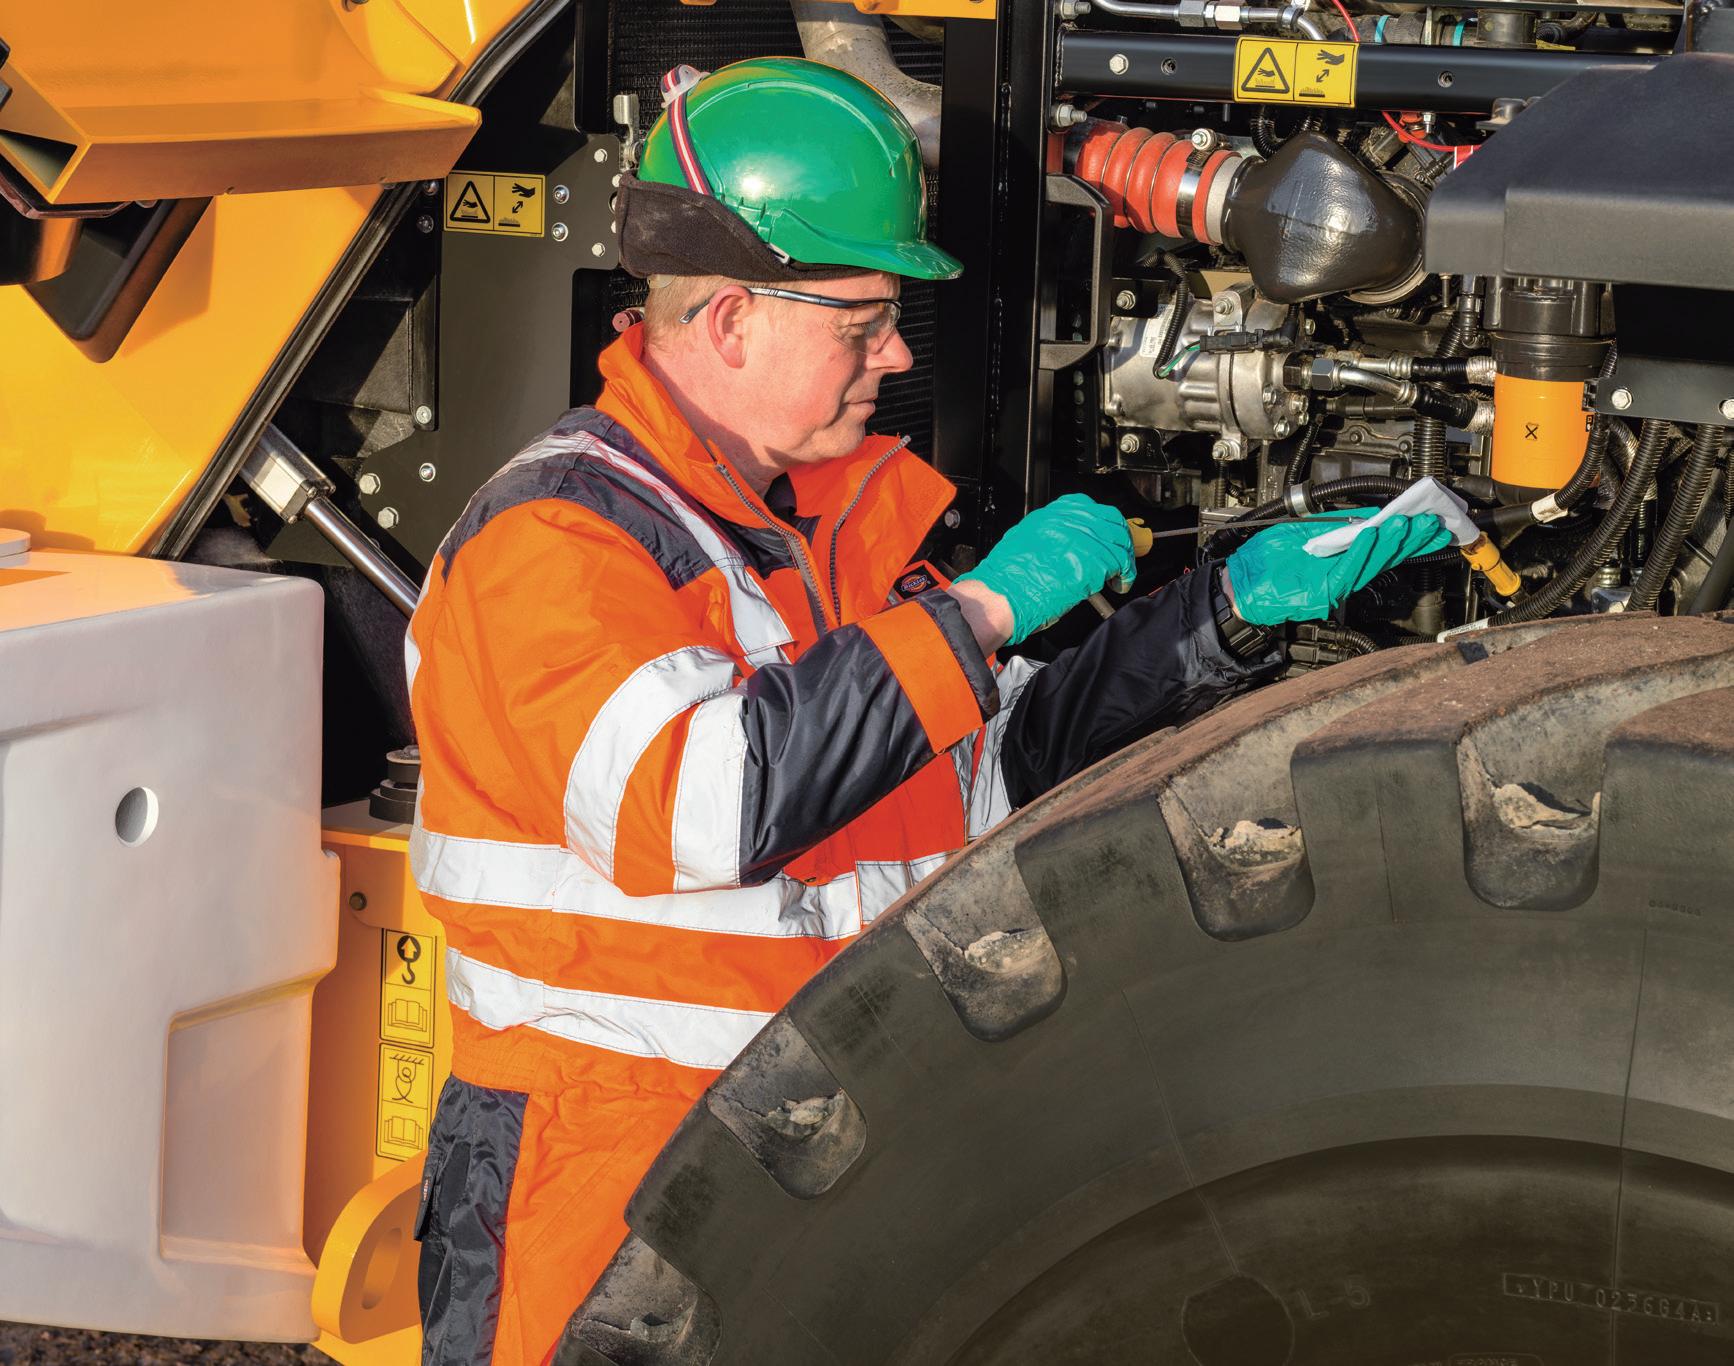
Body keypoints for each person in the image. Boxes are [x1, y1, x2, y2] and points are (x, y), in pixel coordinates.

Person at [404, 56, 1447, 1366]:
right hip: (611, 1176)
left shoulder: (820, 531)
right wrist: (980, 611)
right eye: (861, 322)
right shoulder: (556, 543)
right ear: (730, 320)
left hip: (817, 1155)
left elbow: (988, 775)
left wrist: (1221, 615)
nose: (894, 356)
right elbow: (701, 802)